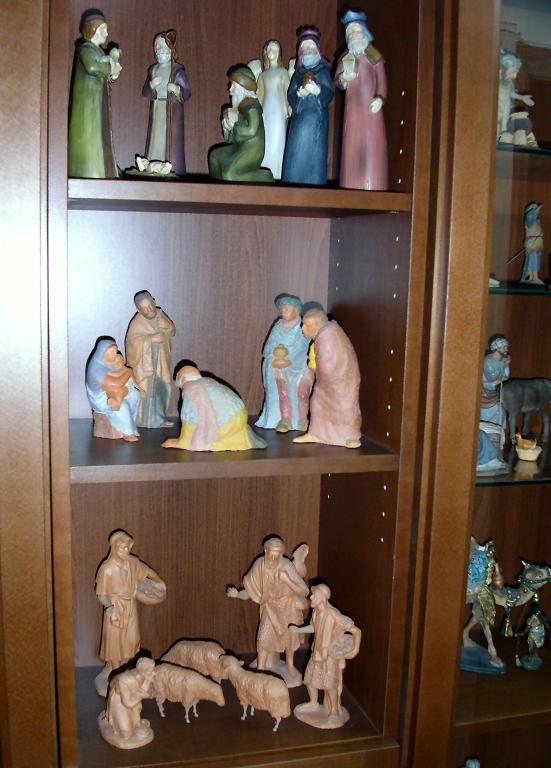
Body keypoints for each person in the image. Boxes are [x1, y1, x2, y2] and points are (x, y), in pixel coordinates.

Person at [226, 536, 309, 685]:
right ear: (265, 551)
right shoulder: (259, 565)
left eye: (278, 556)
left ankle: (290, 667)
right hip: (269, 607)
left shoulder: (286, 566)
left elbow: (304, 590)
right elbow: (251, 591)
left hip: (287, 607)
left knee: (289, 639)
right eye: (271, 555)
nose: (274, 559)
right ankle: (260, 669)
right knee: (263, 638)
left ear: (281, 555)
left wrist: (287, 580)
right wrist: (237, 594)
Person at [95, 531, 165, 695]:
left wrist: (160, 581)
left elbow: (147, 571)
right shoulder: (107, 569)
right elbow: (101, 594)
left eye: (127, 547)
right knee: (115, 645)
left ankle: (126, 673)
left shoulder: (133, 562)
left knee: (131, 642)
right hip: (115, 610)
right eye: (122, 548)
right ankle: (114, 676)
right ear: (114, 548)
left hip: (130, 609)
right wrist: (109, 607)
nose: (125, 551)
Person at [291, 584, 361, 728]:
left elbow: (356, 630)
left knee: (330, 685)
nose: (311, 597)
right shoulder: (316, 612)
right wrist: (298, 630)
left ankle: (334, 712)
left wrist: (355, 649)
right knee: (309, 679)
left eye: (314, 595)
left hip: (329, 655)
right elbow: (314, 627)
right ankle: (313, 703)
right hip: (316, 652)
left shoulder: (333, 614)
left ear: (322, 597)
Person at [335, 10, 388, 191]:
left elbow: (382, 81)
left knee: (371, 146)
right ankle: (351, 183)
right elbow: (337, 80)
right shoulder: (345, 58)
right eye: (349, 32)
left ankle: (373, 182)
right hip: (352, 111)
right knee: (352, 145)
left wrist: (380, 98)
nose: (353, 35)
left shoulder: (374, 56)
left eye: (356, 31)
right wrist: (343, 79)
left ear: (364, 32)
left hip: (370, 110)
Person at [293, 309, 361, 448]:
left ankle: (351, 435)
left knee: (346, 406)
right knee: (317, 403)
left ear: (318, 324)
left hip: (342, 381)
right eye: (302, 324)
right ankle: (316, 433)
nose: (302, 328)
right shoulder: (322, 335)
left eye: (307, 325)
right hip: (326, 382)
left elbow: (328, 364)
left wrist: (317, 372)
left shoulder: (328, 336)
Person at [162, 366, 267, 452]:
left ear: (182, 379)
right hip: (241, 414)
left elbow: (190, 420)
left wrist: (182, 442)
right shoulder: (208, 381)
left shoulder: (190, 390)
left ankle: (221, 441)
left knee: (209, 439)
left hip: (227, 423)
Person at [68, 9, 122, 178]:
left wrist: (113, 73)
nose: (106, 33)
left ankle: (103, 170)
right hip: (87, 108)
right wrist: (110, 67)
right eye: (103, 29)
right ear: (93, 29)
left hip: (97, 105)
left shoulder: (97, 51)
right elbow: (92, 67)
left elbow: (104, 73)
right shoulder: (85, 48)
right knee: (90, 139)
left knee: (100, 137)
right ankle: (90, 170)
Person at [281, 27, 334, 185]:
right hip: (299, 123)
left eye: (311, 47)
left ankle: (314, 183)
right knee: (296, 153)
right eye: (305, 48)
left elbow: (329, 92)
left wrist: (317, 90)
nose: (308, 51)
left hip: (317, 123)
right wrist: (299, 94)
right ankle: (292, 180)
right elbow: (290, 94)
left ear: (317, 50)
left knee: (314, 155)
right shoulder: (298, 73)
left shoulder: (323, 71)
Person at [255, 294, 311, 433]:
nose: (284, 312)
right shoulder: (278, 326)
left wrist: (290, 360)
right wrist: (274, 358)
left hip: (298, 366)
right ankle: (285, 419)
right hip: (279, 366)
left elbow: (303, 347)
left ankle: (302, 420)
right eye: (282, 309)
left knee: (302, 394)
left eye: (287, 309)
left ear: (296, 311)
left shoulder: (302, 327)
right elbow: (269, 347)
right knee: (282, 393)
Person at [208, 65, 273, 182]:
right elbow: (230, 140)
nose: (230, 89)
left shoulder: (252, 107)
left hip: (252, 150)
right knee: (214, 156)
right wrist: (226, 127)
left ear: (243, 88)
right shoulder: (238, 107)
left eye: (234, 86)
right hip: (240, 147)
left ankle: (264, 176)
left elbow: (251, 130)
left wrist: (234, 125)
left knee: (229, 175)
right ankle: (218, 189)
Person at [142, 30, 192, 176]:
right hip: (157, 108)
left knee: (170, 140)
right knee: (156, 137)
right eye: (157, 47)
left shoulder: (177, 71)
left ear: (170, 49)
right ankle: (153, 161)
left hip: (171, 111)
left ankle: (170, 165)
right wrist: (151, 86)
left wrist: (177, 89)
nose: (159, 50)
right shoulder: (153, 70)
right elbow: (145, 93)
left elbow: (187, 92)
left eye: (163, 46)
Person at [125, 291, 176, 429]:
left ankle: (158, 419)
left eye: (150, 306)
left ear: (154, 301)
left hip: (160, 363)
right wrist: (150, 339)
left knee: (162, 389)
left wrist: (168, 326)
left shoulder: (161, 315)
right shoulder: (137, 322)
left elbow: (172, 332)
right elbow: (131, 342)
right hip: (145, 368)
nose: (149, 311)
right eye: (145, 309)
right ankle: (141, 420)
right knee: (145, 391)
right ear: (139, 310)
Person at [86, 339, 141, 441]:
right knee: (122, 406)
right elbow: (116, 383)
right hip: (101, 398)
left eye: (115, 351)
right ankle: (127, 432)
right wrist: (129, 372)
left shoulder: (112, 362)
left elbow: (118, 375)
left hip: (114, 392)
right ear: (103, 352)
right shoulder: (96, 368)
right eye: (111, 352)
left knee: (135, 395)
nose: (114, 354)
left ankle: (131, 424)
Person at [99, 657, 156, 748]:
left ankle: (135, 723)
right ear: (142, 671)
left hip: (133, 701)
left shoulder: (146, 677)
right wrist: (142, 695)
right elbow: (128, 703)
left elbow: (152, 692)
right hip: (119, 701)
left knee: (132, 729)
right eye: (150, 671)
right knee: (126, 735)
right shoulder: (124, 680)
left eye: (153, 670)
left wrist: (147, 692)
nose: (154, 673)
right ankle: (109, 718)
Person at [256, 40, 291, 179]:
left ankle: (277, 172)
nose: (272, 52)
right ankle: (265, 170)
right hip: (266, 111)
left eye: (275, 49)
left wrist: (288, 106)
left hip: (278, 111)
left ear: (279, 53)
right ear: (265, 52)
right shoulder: (262, 76)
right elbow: (260, 94)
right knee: (266, 140)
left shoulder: (283, 72)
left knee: (277, 140)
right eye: (269, 49)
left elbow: (287, 91)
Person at [480, 335, 510, 428]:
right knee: (494, 411)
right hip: (485, 393)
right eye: (504, 347)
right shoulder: (488, 361)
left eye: (506, 346)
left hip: (494, 392)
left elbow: (506, 377)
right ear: (497, 348)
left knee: (501, 411)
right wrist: (503, 364)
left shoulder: (500, 360)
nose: (506, 349)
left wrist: (506, 365)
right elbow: (492, 377)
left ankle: (497, 431)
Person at [521, 203, 544, 284]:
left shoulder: (536, 221)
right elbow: (529, 216)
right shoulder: (530, 220)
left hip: (537, 244)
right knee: (532, 259)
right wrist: (536, 209)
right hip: (532, 243)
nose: (536, 212)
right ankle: (530, 276)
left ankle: (534, 276)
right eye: (534, 210)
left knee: (536, 259)